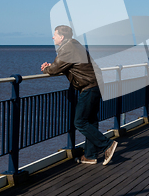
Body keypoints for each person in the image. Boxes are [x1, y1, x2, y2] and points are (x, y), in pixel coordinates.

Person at [41, 25, 118, 165]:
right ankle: (90, 155)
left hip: (89, 87)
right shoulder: (74, 45)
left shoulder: (67, 48)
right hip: (96, 84)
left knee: (80, 122)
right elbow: (64, 65)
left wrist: (46, 68)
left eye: (55, 35)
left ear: (62, 37)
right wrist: (51, 66)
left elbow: (54, 69)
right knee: (91, 121)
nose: (53, 37)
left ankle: (107, 145)